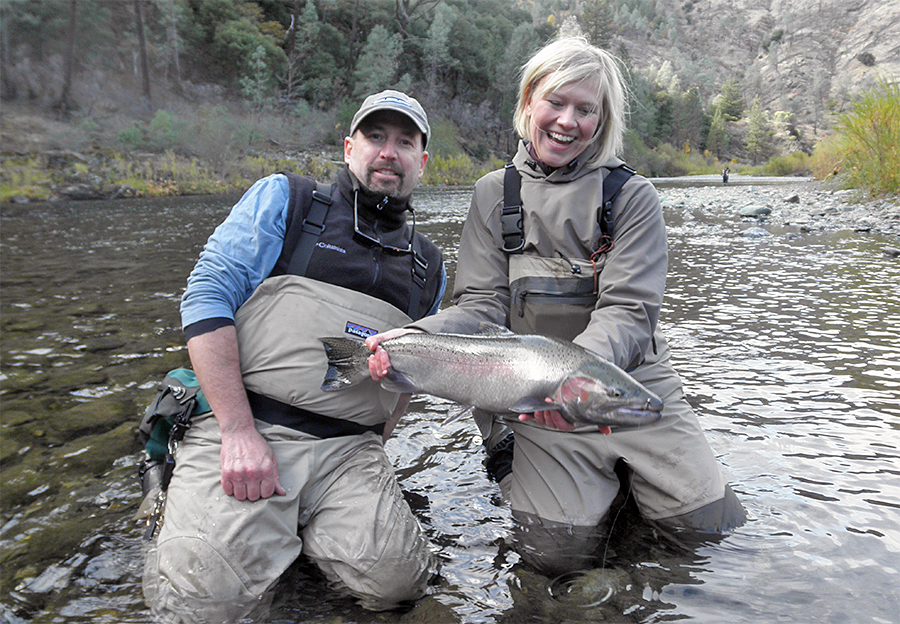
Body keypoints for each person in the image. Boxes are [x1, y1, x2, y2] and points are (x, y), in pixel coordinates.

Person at [367, 38, 746, 576]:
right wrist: (411, 341)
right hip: (535, 400)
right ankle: (517, 458)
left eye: (586, 109)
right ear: (528, 102)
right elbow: (480, 306)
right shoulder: (492, 193)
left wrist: (574, 382)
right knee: (555, 557)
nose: (567, 121)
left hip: (629, 384)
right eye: (556, 102)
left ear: (603, 118)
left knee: (710, 534)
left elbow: (629, 311)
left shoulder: (631, 196)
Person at [143, 90, 446, 621]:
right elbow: (206, 295)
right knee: (202, 606)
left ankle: (298, 533)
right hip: (248, 427)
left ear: (421, 163)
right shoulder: (288, 200)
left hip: (349, 451)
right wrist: (237, 432)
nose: (388, 152)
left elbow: (407, 377)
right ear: (349, 147)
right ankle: (169, 496)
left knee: (399, 588)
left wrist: (375, 448)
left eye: (405, 142)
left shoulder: (430, 266)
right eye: (376, 137)